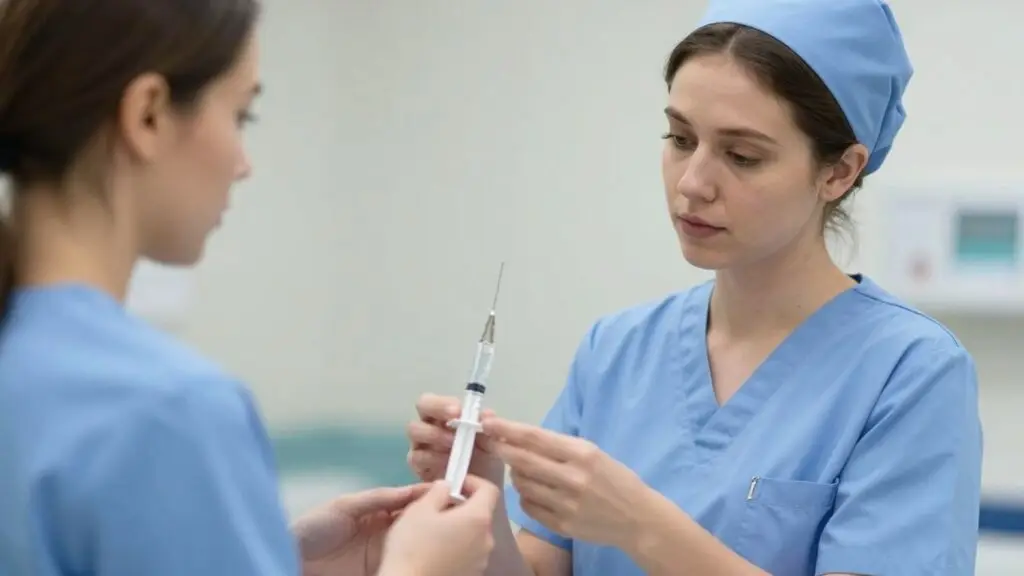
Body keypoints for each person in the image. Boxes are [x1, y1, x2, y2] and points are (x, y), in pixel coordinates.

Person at [407, 0, 983, 575]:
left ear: (839, 171)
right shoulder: (617, 351)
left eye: (741, 155)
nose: (693, 183)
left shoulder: (909, 374)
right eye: (680, 138)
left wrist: (641, 527)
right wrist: (479, 502)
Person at [0, 1, 499, 575]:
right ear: (148, 115)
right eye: (242, 116)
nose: (243, 164)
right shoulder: (169, 409)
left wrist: (267, 553)